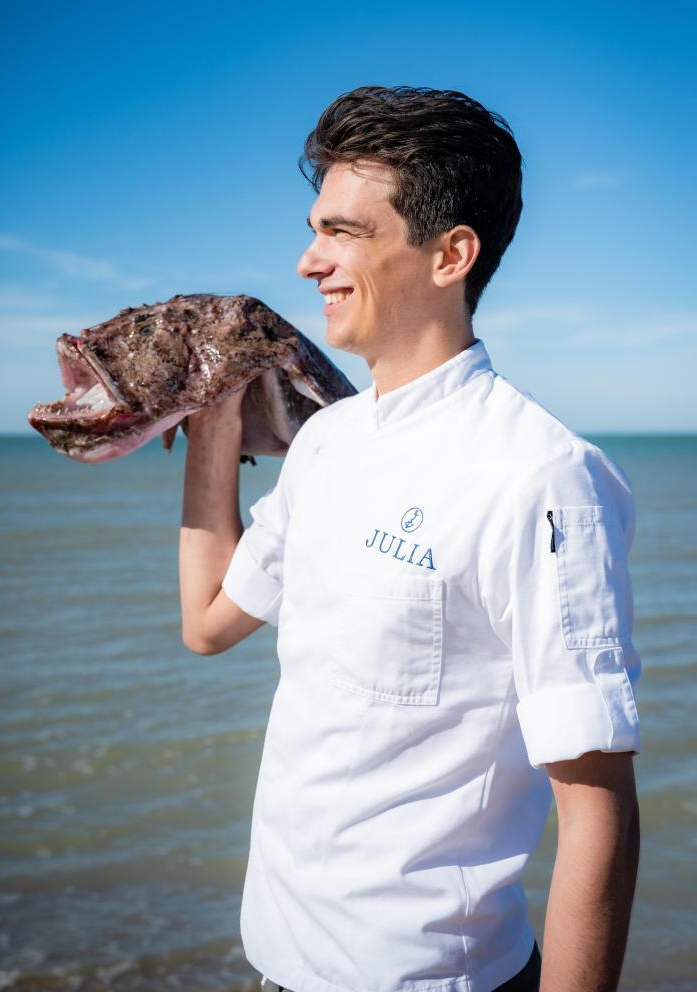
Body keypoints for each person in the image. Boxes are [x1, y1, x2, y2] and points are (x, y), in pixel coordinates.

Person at [178, 86, 641, 992]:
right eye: (315, 228)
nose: (309, 262)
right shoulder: (326, 443)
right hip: (273, 962)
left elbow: (597, 814)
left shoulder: (541, 477)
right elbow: (207, 621)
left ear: (449, 255)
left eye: (346, 232)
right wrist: (210, 426)